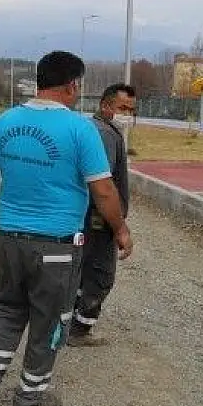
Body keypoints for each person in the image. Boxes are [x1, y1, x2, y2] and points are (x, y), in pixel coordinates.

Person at [0, 50, 133, 406]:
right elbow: (103, 191)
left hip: (8, 238)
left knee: (6, 308)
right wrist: (119, 228)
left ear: (40, 81)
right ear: (73, 85)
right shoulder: (80, 130)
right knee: (49, 318)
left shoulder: (3, 122)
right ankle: (29, 400)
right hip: (56, 246)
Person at [69, 83, 136, 347]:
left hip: (85, 215)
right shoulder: (106, 134)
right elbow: (103, 184)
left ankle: (68, 322)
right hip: (98, 217)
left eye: (132, 110)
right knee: (101, 274)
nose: (127, 115)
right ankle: (79, 330)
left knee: (82, 269)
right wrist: (117, 225)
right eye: (122, 108)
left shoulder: (95, 128)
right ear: (105, 106)